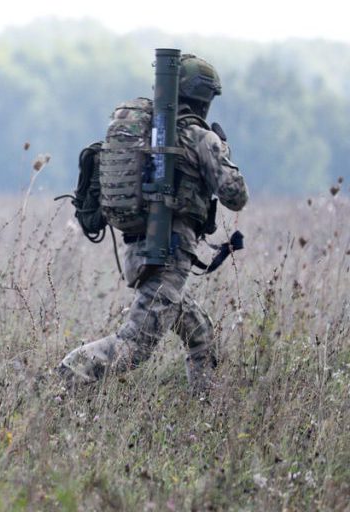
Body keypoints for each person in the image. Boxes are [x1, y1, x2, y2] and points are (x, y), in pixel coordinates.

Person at [56, 54, 249, 395]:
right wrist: (221, 149)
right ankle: (60, 381)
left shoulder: (153, 135)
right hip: (170, 254)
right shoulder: (199, 137)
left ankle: (209, 409)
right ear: (204, 98)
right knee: (135, 346)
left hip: (138, 249)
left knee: (199, 332)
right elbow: (236, 195)